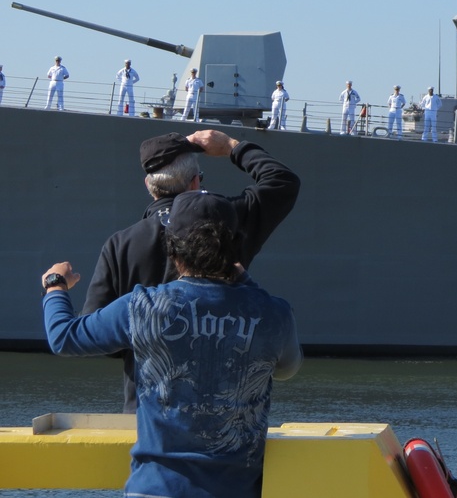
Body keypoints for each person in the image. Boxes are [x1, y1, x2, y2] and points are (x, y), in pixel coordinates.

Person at [42, 190, 302, 498]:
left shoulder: (144, 307)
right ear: (236, 248)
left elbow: (63, 337)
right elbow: (286, 369)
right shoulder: (273, 312)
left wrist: (55, 286)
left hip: (155, 489)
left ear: (173, 250)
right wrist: (248, 285)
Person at [83, 129, 301, 412]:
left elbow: (96, 333)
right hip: (225, 417)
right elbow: (283, 182)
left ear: (149, 185)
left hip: (148, 416)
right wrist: (231, 146)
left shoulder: (119, 245)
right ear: (195, 182)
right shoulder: (227, 223)